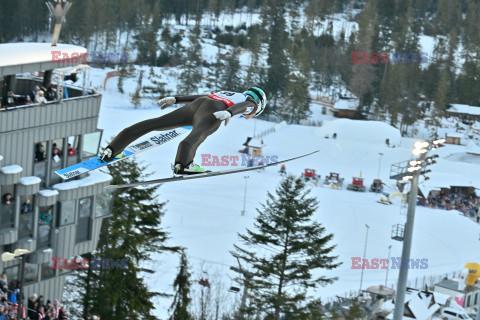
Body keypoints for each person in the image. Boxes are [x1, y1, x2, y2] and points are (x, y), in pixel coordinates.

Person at [101, 88, 267, 175]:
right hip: (215, 110)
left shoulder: (230, 93)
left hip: (198, 104)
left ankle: (113, 149)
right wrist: (230, 112)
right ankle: (184, 165)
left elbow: (201, 96)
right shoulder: (250, 101)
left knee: (156, 123)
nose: (250, 115)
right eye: (254, 114)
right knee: (197, 135)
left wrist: (176, 99)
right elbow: (247, 106)